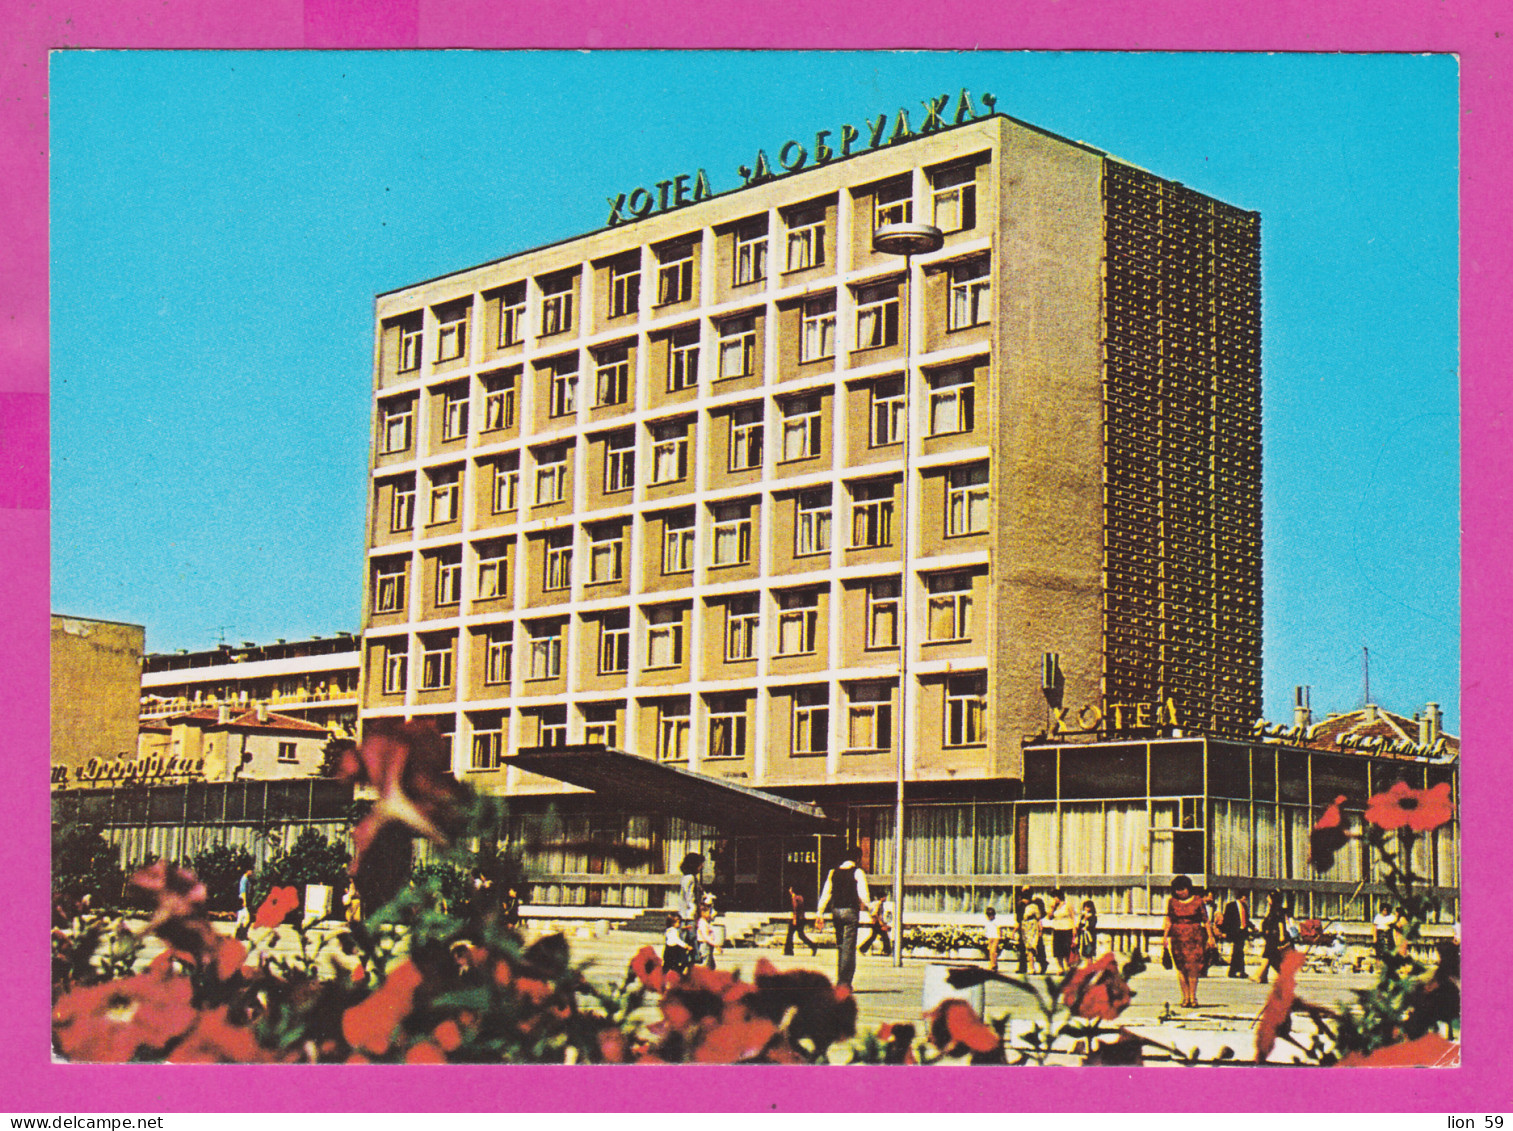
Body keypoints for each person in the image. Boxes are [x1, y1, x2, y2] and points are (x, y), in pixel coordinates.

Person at [814, 847, 870, 988]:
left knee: (840, 946)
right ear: (857, 858)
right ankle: (844, 982)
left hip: (836, 911)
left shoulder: (833, 872)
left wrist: (819, 913)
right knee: (848, 948)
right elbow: (863, 895)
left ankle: (840, 978)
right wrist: (871, 908)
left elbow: (826, 893)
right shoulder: (857, 872)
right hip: (850, 911)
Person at [1161, 874, 1209, 1008]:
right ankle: (1185, 997)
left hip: (1194, 937)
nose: (1180, 892)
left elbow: (1205, 920)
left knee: (1193, 968)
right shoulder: (1172, 902)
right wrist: (1164, 937)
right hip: (1177, 938)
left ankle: (1193, 997)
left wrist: (1210, 938)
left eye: (1183, 889)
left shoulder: (1198, 901)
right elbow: (1169, 919)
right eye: (1177, 889)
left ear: (1189, 888)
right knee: (1181, 968)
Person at [1252, 891, 1293, 985]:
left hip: (1274, 936)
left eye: (1269, 897)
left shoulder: (1277, 909)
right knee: (1273, 958)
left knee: (1267, 955)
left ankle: (1259, 975)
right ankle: (1266, 976)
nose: (1267, 899)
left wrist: (1282, 935)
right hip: (1270, 935)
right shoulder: (1271, 909)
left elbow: (1280, 923)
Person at [1220, 893, 1251, 978]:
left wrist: (1252, 926)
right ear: (1240, 897)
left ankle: (1234, 971)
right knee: (1239, 951)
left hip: (1242, 932)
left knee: (1238, 952)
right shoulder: (1231, 906)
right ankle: (1239, 971)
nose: (1246, 899)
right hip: (1234, 931)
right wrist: (1224, 931)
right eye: (1245, 897)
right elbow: (1227, 919)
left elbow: (1246, 919)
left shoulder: (1244, 906)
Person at [678, 853, 704, 948]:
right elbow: (689, 895)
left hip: (688, 913)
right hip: (688, 914)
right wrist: (694, 909)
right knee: (690, 937)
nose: (702, 867)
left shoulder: (689, 878)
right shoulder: (690, 878)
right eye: (700, 864)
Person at [783, 885, 818, 957]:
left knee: (790, 934)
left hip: (797, 918)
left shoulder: (794, 897)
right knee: (800, 935)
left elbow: (795, 909)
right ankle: (813, 945)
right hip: (802, 918)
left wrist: (794, 919)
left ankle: (789, 950)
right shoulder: (800, 897)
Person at [1046, 888, 1075, 974]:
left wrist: (1074, 929)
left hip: (1067, 928)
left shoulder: (1067, 905)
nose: (1054, 899)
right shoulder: (1054, 907)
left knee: (1066, 950)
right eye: (1053, 897)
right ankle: (1060, 968)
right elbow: (1049, 917)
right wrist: (1052, 908)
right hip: (1057, 929)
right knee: (1057, 950)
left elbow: (1073, 916)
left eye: (1055, 897)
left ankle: (1068, 967)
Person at [1019, 895, 1047, 975]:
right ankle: (1031, 967)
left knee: (1033, 948)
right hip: (1025, 927)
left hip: (1033, 927)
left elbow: (1039, 918)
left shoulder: (1034, 906)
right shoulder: (1021, 906)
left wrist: (1040, 929)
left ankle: (1041, 964)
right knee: (1027, 949)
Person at [859, 892, 893, 956]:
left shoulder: (878, 903)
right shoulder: (878, 904)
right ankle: (887, 951)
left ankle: (862, 948)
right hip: (876, 923)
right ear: (881, 897)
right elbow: (875, 913)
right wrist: (880, 923)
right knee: (884, 936)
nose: (885, 898)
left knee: (874, 936)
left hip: (876, 922)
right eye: (884, 897)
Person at [1371, 900, 1396, 973]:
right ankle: (1378, 967)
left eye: (1386, 910)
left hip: (1388, 934)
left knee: (1389, 951)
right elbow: (1374, 927)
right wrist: (1374, 937)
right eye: (1384, 909)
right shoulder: (1378, 917)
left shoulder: (1392, 917)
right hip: (1380, 934)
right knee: (1379, 951)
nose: (1385, 911)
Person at [696, 903, 719, 969]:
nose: (710, 915)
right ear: (702, 913)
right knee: (706, 963)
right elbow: (706, 936)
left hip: (708, 945)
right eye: (709, 913)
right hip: (705, 944)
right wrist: (715, 944)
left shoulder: (705, 922)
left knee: (711, 964)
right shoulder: (702, 923)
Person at [1075, 900, 1099, 964]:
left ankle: (1090, 964)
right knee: (1085, 951)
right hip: (1083, 936)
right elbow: (1080, 925)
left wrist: (1086, 926)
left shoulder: (1093, 916)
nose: (1086, 908)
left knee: (1090, 951)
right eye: (1085, 907)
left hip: (1090, 936)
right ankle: (1087, 964)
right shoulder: (1083, 916)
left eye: (1088, 907)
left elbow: (1092, 926)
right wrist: (1084, 919)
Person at [982, 906, 1003, 970]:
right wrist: (984, 934)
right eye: (988, 916)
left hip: (995, 937)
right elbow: (986, 928)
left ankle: (993, 964)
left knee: (993, 951)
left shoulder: (996, 921)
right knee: (990, 951)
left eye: (990, 915)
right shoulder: (988, 922)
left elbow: (999, 928)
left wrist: (1000, 936)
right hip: (990, 937)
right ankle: (993, 964)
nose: (989, 917)